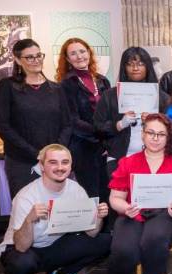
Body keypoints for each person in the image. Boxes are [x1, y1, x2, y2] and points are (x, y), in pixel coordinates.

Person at [0, 144, 111, 274]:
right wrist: (29, 220)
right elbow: (21, 247)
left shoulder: (75, 189)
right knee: (21, 261)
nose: (60, 168)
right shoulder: (27, 196)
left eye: (65, 162)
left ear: (70, 166)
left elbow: (91, 233)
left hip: (54, 247)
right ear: (42, 166)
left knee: (106, 241)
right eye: (53, 162)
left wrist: (98, 218)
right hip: (25, 248)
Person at [95, 114, 172, 274]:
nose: (155, 138)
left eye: (161, 134)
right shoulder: (128, 162)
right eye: (151, 133)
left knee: (153, 239)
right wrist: (125, 208)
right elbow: (115, 197)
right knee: (123, 247)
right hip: (132, 212)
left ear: (168, 137)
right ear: (143, 135)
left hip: (167, 213)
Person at [0, 38, 71, 197]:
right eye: (29, 57)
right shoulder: (7, 86)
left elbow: (67, 124)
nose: (36, 60)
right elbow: (2, 126)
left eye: (38, 55)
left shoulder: (56, 89)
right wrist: (36, 154)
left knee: (55, 212)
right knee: (27, 212)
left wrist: (53, 154)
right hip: (21, 162)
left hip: (54, 164)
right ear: (17, 60)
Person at [93, 47, 170, 179]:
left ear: (148, 67)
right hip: (119, 158)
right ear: (124, 67)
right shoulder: (110, 96)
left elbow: (171, 128)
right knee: (119, 197)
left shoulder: (162, 97)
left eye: (140, 64)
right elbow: (97, 127)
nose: (135, 68)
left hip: (154, 158)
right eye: (130, 64)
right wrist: (119, 124)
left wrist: (156, 121)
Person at [56, 38, 112, 202]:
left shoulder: (102, 80)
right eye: (73, 53)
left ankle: (108, 228)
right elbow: (72, 121)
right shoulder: (66, 84)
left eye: (82, 51)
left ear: (89, 53)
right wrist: (102, 133)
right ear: (67, 59)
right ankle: (92, 228)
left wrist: (108, 141)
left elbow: (111, 113)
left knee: (107, 191)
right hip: (83, 147)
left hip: (105, 147)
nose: (79, 56)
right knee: (90, 194)